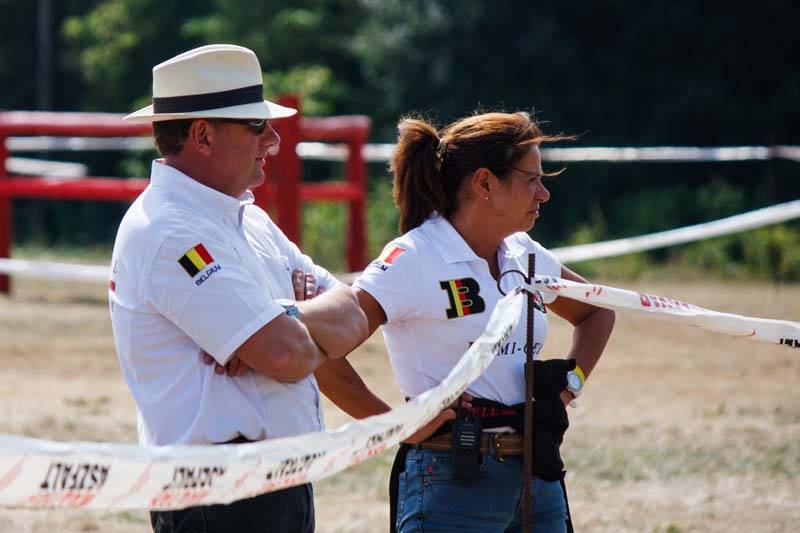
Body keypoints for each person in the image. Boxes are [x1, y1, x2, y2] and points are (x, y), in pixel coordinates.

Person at [313, 111, 617, 532]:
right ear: (485, 183)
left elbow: (597, 311)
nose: (544, 194)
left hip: (537, 471)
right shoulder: (414, 257)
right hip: (450, 478)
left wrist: (570, 385)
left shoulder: (524, 252)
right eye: (531, 179)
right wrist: (395, 425)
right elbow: (321, 352)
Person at [109, 44, 368, 533]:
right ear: (203, 135)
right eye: (256, 125)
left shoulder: (248, 219)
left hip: (269, 487)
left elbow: (353, 315)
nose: (273, 139)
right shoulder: (168, 231)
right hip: (219, 498)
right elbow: (288, 355)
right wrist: (291, 330)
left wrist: (279, 318)